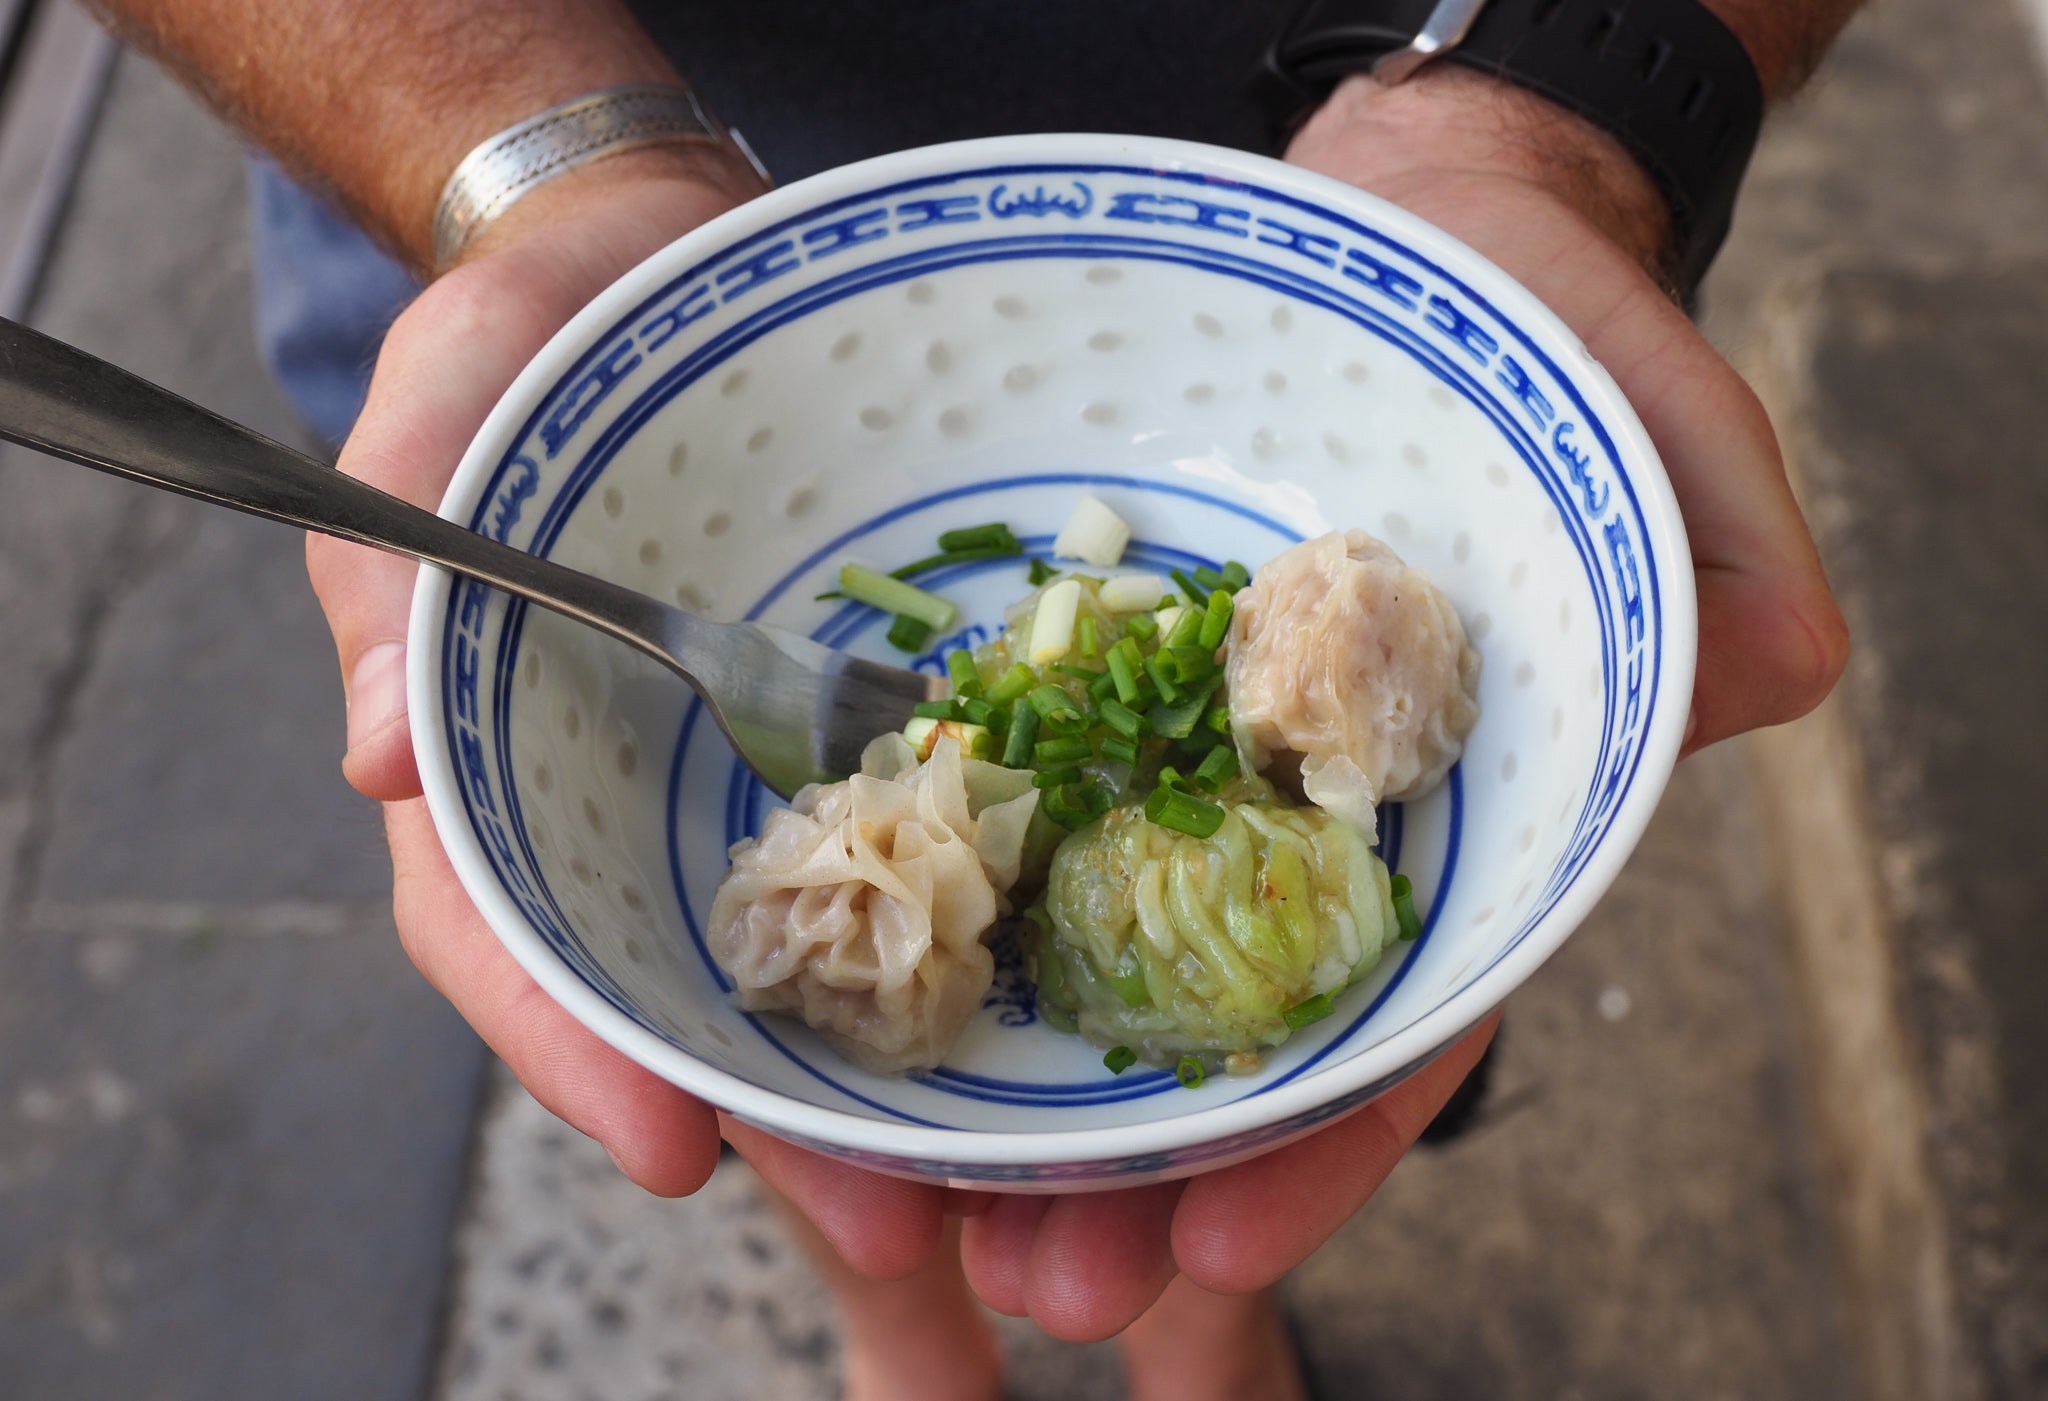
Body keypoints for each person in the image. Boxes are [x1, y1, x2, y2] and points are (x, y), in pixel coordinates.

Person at [87, 2, 1859, 1396]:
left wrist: (1566, 93)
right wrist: (534, 163)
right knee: (754, 1111)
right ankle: (907, 1337)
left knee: (1251, 1166)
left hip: (1351, 130)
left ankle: (1206, 1337)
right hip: (487, 166)